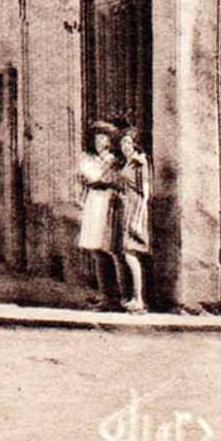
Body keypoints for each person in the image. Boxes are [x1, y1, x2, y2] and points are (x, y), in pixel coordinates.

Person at [76, 122, 123, 311]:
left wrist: (105, 174)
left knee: (110, 248)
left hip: (109, 204)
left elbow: (114, 180)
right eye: (97, 138)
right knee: (96, 250)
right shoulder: (87, 158)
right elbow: (93, 178)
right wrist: (104, 173)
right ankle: (106, 294)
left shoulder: (113, 159)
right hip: (95, 203)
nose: (100, 142)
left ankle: (117, 295)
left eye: (104, 138)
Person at [117, 127, 152, 314]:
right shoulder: (129, 162)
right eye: (123, 142)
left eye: (129, 142)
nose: (125, 146)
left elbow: (145, 193)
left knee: (131, 253)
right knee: (128, 252)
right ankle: (135, 297)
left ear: (136, 144)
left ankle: (139, 299)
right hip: (127, 208)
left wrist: (138, 218)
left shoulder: (140, 163)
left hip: (136, 209)